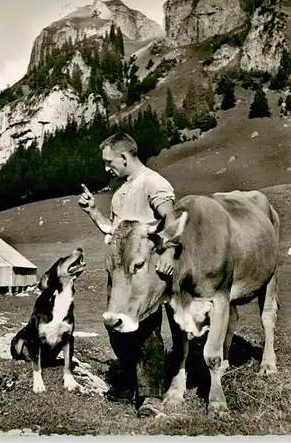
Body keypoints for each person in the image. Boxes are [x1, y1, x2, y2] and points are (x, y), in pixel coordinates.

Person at [79, 132, 178, 417]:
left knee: (146, 329)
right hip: (119, 271)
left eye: (109, 162)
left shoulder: (153, 183)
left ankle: (151, 396)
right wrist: (92, 211)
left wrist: (169, 253)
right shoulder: (120, 192)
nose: (106, 168)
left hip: (142, 271)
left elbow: (170, 220)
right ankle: (127, 383)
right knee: (115, 325)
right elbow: (113, 231)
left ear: (124, 157)